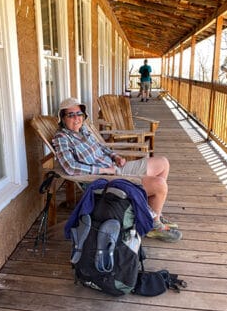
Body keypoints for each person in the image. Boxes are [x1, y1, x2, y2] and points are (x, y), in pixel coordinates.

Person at [52, 97, 182, 243]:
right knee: (160, 185)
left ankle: (153, 213)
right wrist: (104, 171)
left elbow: (102, 147)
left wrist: (116, 157)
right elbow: (70, 167)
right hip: (105, 181)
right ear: (62, 118)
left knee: (163, 163)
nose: (77, 118)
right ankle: (153, 225)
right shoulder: (62, 138)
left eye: (79, 114)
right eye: (71, 115)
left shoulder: (84, 131)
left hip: (115, 168)